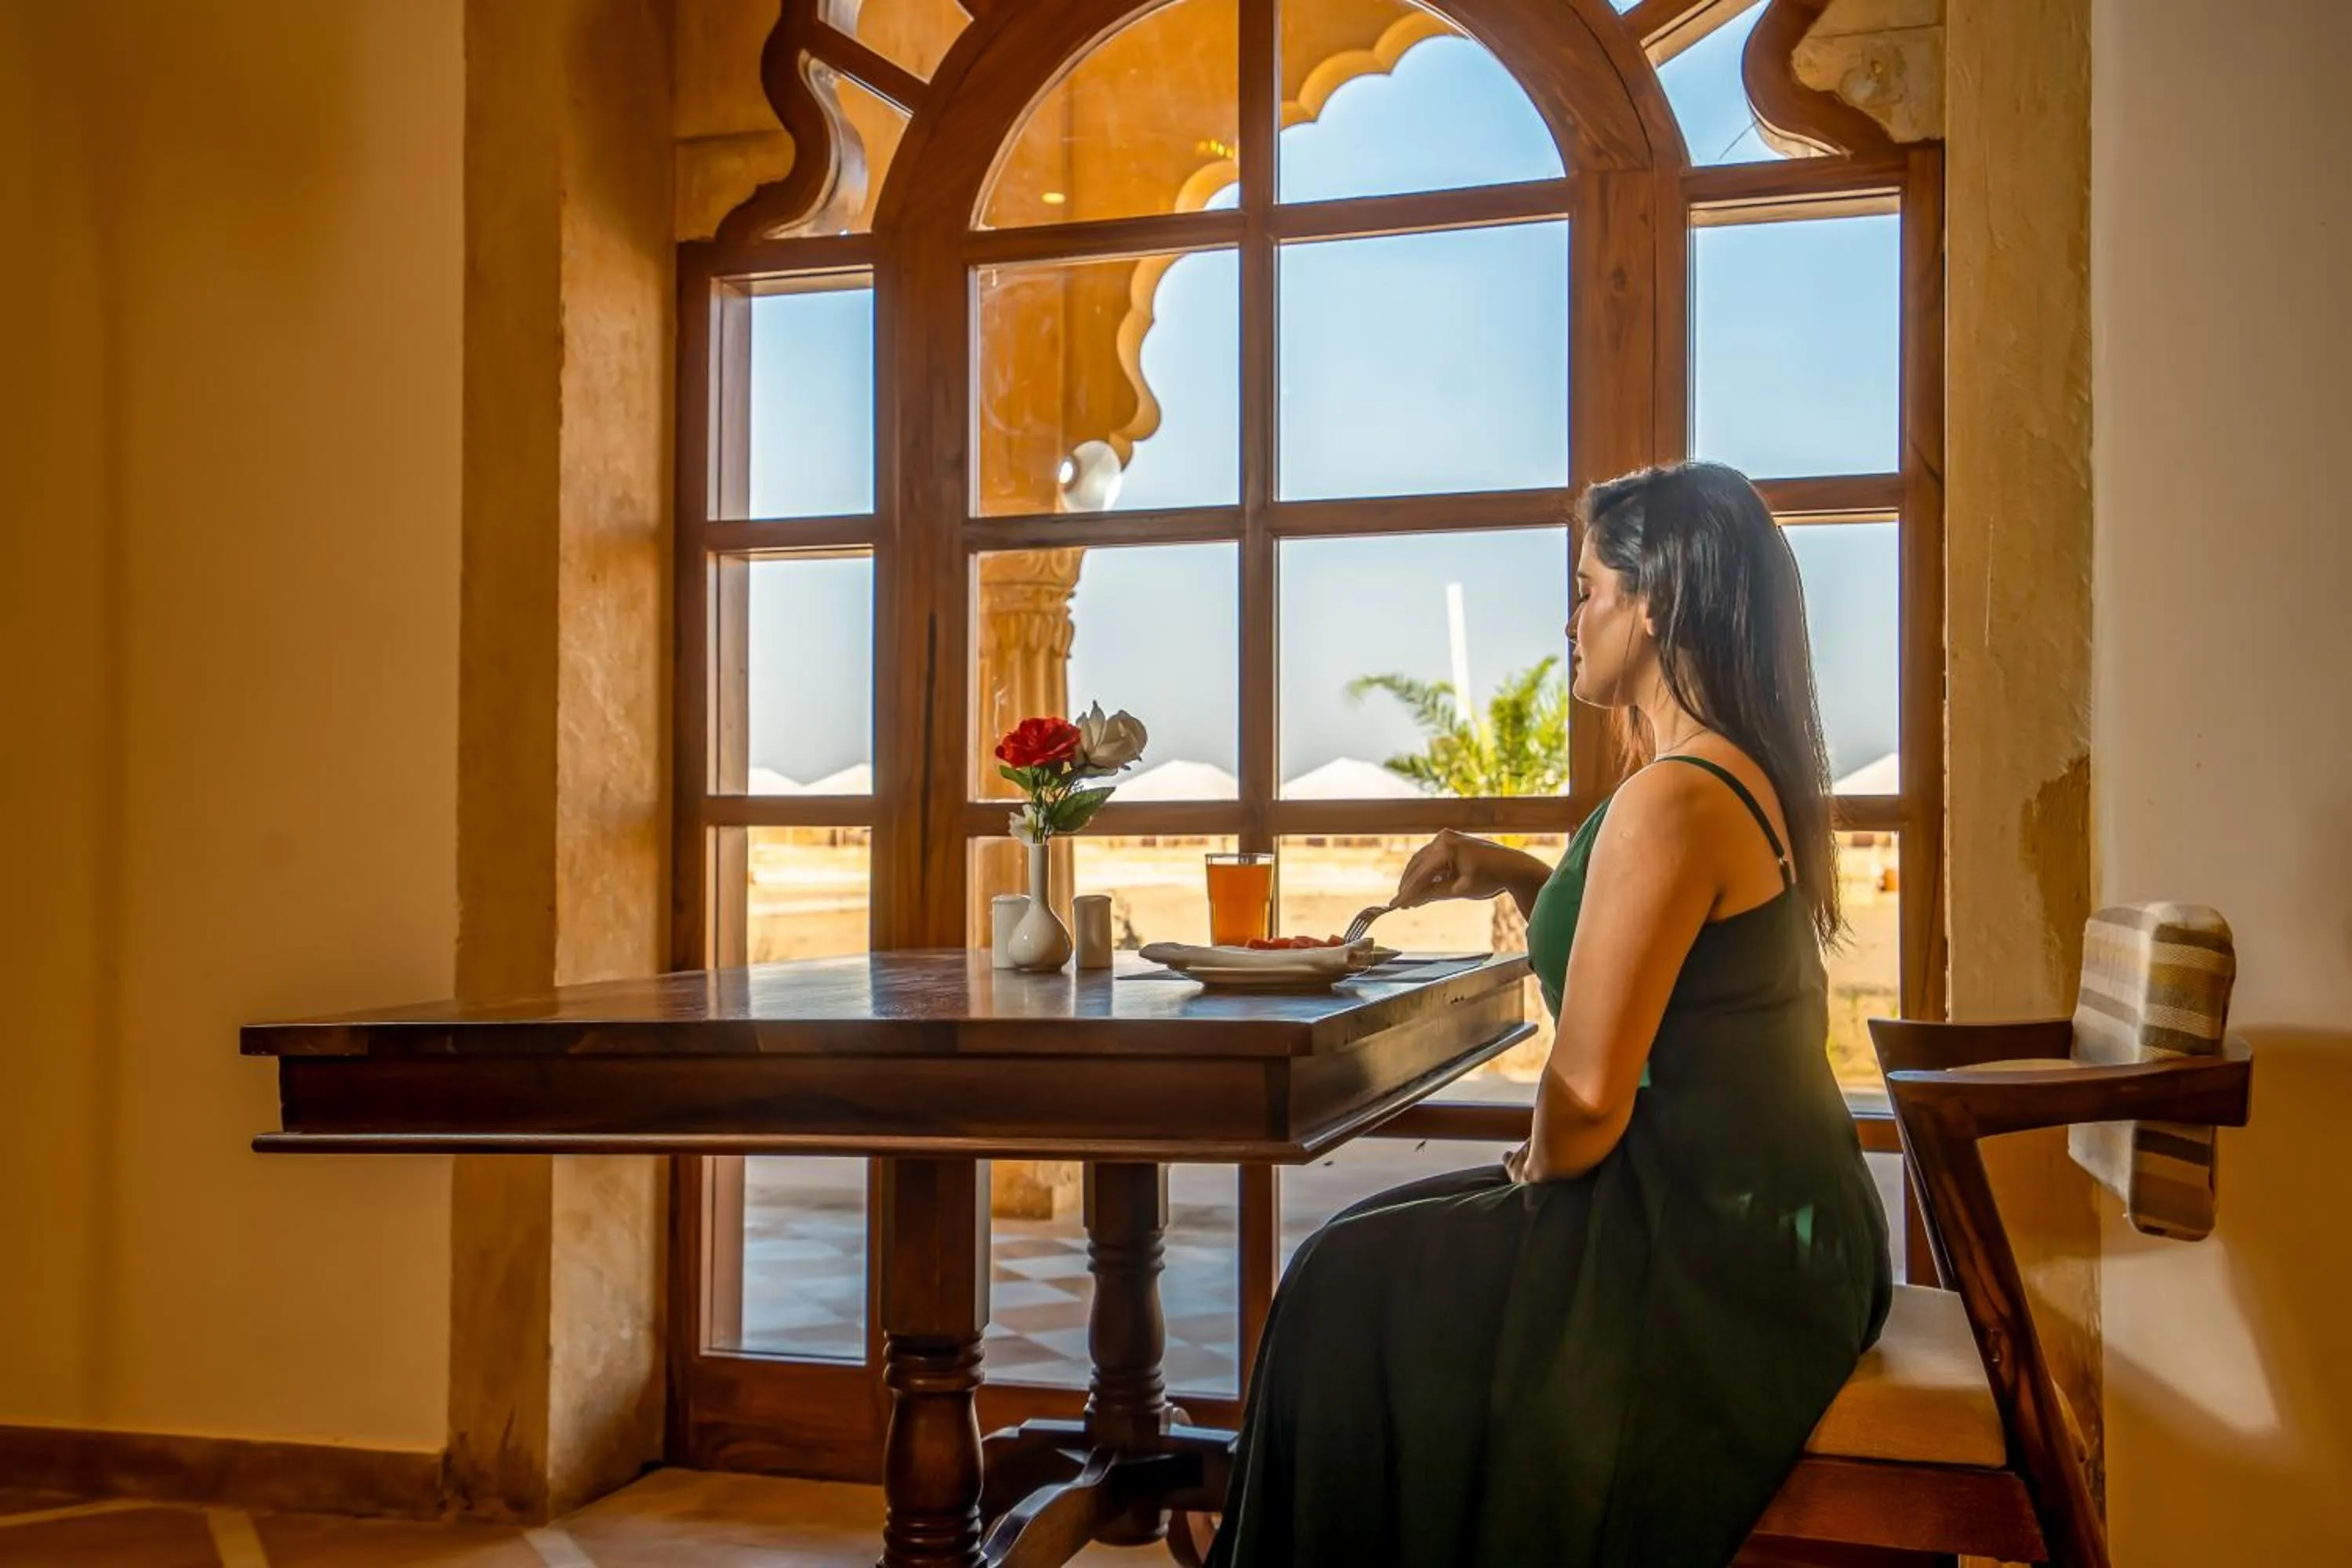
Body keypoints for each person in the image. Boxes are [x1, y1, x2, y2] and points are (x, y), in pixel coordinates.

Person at [1202, 462, 1892, 1566]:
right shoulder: (1725, 773)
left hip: (1719, 1251)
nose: (1571, 622)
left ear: (1655, 602)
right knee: (1351, 1257)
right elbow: (1667, 977)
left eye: (1586, 591)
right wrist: (1520, 875)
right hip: (1776, 1224)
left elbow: (1586, 1102)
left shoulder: (1675, 797)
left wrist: (1531, 1169)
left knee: (1340, 1287)